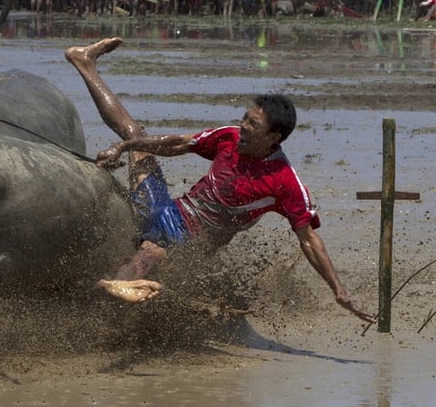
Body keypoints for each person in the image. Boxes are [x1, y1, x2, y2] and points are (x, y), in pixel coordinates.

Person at [63, 37, 375, 324]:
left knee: (151, 251)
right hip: (165, 207)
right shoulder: (229, 138)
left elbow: (308, 239)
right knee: (136, 136)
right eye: (245, 118)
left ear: (273, 137)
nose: (244, 127)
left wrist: (338, 289)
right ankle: (84, 62)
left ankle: (106, 293)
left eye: (253, 124)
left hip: (191, 238)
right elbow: (178, 144)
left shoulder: (284, 182)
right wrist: (126, 147)